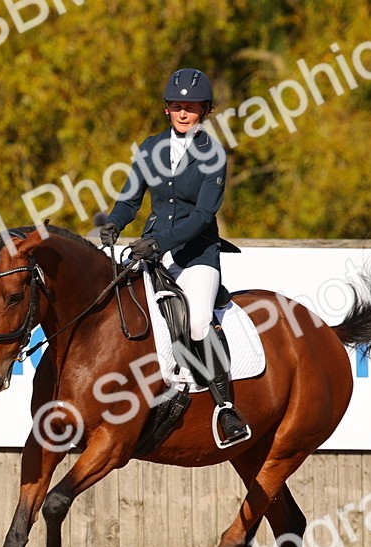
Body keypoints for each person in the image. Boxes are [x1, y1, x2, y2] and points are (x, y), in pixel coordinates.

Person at [100, 68, 250, 447]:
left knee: (197, 321)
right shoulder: (150, 147)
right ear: (167, 108)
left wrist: (158, 242)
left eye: (192, 107)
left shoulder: (212, 154)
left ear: (205, 111)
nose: (184, 113)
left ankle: (225, 407)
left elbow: (202, 216)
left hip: (196, 255)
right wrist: (114, 223)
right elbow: (130, 199)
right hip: (152, 252)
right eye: (177, 106)